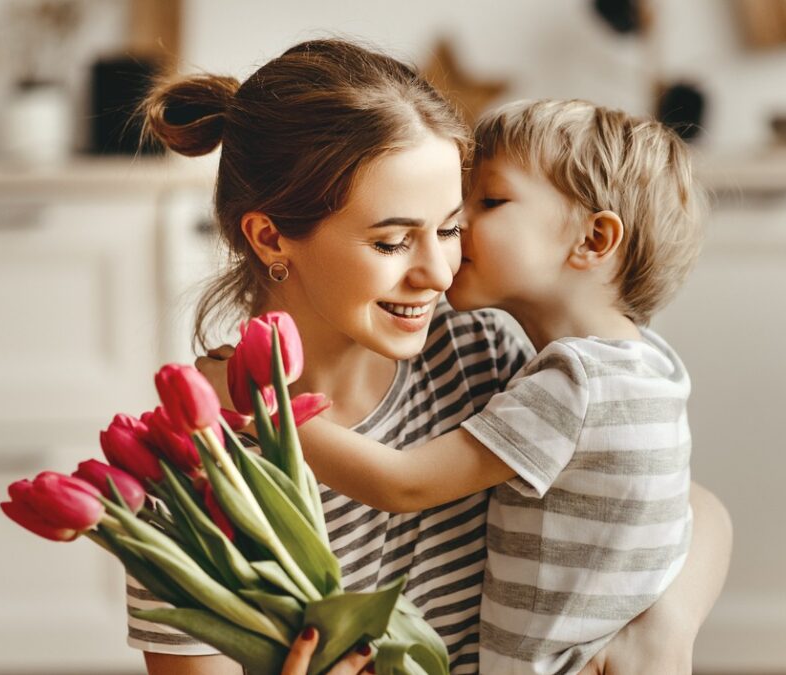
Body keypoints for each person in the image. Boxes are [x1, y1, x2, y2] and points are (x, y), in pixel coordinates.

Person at [135, 38, 731, 675]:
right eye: (392, 242)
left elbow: (680, 503)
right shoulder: (198, 474)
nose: (439, 273)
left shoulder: (480, 355)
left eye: (450, 229)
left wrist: (666, 627)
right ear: (271, 236)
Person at [282, 98, 703, 675]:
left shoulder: (574, 387)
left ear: (593, 239)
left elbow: (403, 484)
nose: (459, 225)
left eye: (490, 201)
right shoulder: (649, 364)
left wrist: (262, 408)